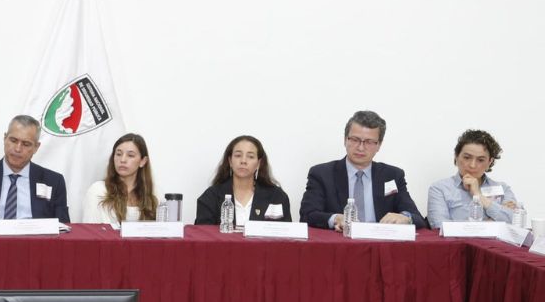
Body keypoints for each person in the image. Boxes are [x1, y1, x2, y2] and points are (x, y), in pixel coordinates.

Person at [298, 110, 426, 230]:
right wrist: (335, 218)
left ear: (379, 145)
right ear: (345, 140)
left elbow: (417, 218)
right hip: (341, 242)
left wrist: (405, 218)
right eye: (355, 140)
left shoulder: (392, 176)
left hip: (380, 242)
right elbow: (307, 215)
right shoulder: (322, 174)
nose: (360, 148)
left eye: (369, 142)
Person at [0, 115, 69, 223]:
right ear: (5, 138)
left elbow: (63, 225)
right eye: (13, 140)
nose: (18, 149)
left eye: (26, 144)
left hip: (35, 235)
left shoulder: (54, 181)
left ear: (36, 147)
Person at [426, 129, 519, 225]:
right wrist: (493, 222)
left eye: (480, 160)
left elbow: (515, 221)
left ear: (489, 162)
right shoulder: (440, 189)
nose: (472, 165)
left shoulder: (503, 188)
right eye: (467, 158)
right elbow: (439, 226)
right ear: (456, 157)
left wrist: (478, 195)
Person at [195, 135, 291, 226]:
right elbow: (202, 234)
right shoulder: (211, 197)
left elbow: (286, 235)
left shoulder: (276, 197)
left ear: (259, 163)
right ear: (230, 161)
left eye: (250, 156)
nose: (243, 161)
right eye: (238, 155)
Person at [83, 133, 158, 224]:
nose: (122, 160)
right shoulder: (98, 190)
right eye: (118, 154)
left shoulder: (155, 194)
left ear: (143, 161)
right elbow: (90, 230)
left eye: (130, 155)